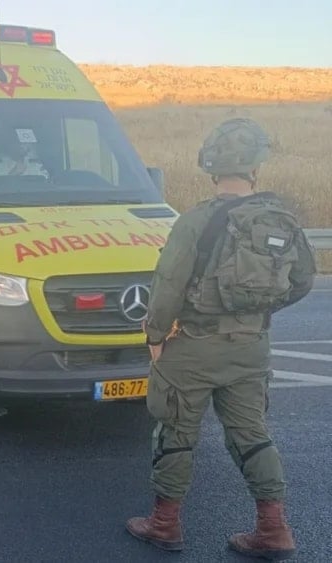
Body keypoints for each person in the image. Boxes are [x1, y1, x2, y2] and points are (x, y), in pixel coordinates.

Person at [124, 117, 316, 560]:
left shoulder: (196, 221)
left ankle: (164, 524)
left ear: (212, 170)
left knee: (176, 433)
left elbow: (167, 286)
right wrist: (257, 312)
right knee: (252, 434)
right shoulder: (281, 218)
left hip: (193, 347)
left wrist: (155, 336)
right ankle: (274, 529)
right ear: (256, 169)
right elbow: (303, 281)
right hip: (251, 347)